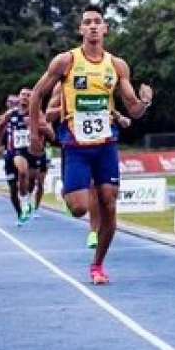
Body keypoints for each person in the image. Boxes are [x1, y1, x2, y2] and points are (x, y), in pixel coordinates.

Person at [29, 5, 154, 285]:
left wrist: (145, 102)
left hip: (106, 143)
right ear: (81, 30)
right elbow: (37, 94)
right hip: (75, 145)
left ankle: (97, 265)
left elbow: (133, 109)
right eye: (88, 22)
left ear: (106, 28)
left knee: (109, 203)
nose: (93, 26)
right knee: (78, 209)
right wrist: (35, 134)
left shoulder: (117, 66)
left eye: (98, 22)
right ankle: (69, 189)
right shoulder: (66, 62)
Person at [45, 93, 133, 249]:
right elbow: (48, 115)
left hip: (100, 144)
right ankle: (67, 192)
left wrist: (119, 118)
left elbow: (107, 107)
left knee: (95, 190)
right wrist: (67, 108)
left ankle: (93, 232)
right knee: (77, 206)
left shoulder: (99, 79)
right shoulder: (63, 83)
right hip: (74, 146)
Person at [0, 92, 35, 226]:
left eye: (27, 95)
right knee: (13, 189)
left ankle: (25, 201)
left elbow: (45, 126)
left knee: (25, 175)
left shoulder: (35, 112)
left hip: (27, 152)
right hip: (11, 152)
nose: (24, 97)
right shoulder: (11, 114)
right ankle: (20, 213)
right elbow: (0, 125)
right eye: (22, 95)